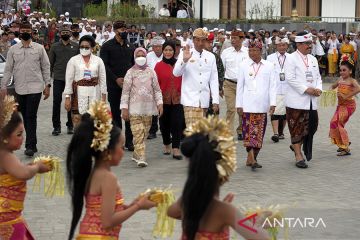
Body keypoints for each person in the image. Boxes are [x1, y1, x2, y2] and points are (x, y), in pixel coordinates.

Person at [167, 116, 270, 240]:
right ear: (224, 170)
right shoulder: (225, 211)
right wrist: (261, 222)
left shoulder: (186, 200)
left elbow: (171, 212)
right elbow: (261, 238)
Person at [66, 101, 156, 240]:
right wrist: (137, 206)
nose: (123, 152)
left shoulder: (94, 173)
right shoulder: (108, 178)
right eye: (121, 147)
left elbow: (107, 210)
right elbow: (108, 222)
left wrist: (133, 204)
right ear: (107, 151)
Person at [0, 96, 52, 240]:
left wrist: (30, 166)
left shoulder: (6, 155)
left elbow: (17, 171)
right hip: (7, 218)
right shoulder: (5, 156)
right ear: (5, 137)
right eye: (19, 134)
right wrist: (36, 167)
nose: (23, 138)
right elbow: (23, 173)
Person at [1, 22, 51, 157]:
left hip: (35, 88)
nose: (25, 32)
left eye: (27, 30)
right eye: (22, 30)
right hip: (20, 88)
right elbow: (8, 69)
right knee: (25, 116)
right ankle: (32, 143)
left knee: (31, 115)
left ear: (31, 31)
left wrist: (47, 85)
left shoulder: (39, 48)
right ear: (19, 32)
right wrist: (3, 86)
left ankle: (30, 145)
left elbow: (46, 67)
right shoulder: (13, 49)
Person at [236, 40, 276, 170]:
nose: (252, 53)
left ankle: (252, 158)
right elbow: (240, 87)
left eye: (255, 50)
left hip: (262, 105)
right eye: (250, 50)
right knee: (248, 132)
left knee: (259, 133)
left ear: (261, 51)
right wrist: (239, 104)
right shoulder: (243, 65)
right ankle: (252, 159)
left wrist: (273, 103)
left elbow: (272, 86)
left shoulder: (269, 66)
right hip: (247, 105)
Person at [285, 32, 322, 169]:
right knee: (296, 129)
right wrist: (306, 89)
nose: (309, 46)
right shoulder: (291, 58)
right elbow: (290, 78)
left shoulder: (312, 59)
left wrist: (318, 88)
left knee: (312, 127)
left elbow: (318, 77)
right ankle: (298, 155)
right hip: (296, 100)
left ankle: (296, 145)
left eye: (310, 44)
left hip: (311, 101)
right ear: (298, 44)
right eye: (307, 44)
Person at [120, 48, 163, 167]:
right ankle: (141, 157)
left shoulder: (151, 72)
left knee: (144, 134)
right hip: (134, 109)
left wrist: (160, 104)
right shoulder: (130, 72)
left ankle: (136, 153)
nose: (140, 58)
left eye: (142, 55)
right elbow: (125, 92)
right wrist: (124, 108)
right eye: (138, 55)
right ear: (134, 57)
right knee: (138, 133)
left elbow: (157, 90)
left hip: (148, 109)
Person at [173, 28, 219, 127]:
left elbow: (214, 79)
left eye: (203, 40)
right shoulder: (185, 53)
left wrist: (215, 101)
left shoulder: (211, 56)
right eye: (197, 40)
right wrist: (184, 60)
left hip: (204, 101)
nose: (200, 43)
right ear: (193, 40)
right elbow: (176, 73)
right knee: (193, 133)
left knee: (200, 134)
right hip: (190, 100)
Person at [100, 20, 134, 151]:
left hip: (128, 86)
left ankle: (129, 142)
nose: (124, 31)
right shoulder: (107, 46)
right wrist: (116, 79)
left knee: (128, 114)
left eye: (125, 29)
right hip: (113, 85)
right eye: (121, 29)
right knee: (115, 114)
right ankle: (118, 141)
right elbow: (104, 66)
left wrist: (128, 79)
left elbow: (133, 65)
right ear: (115, 31)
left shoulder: (131, 46)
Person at [64, 35, 107, 126]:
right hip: (78, 93)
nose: (84, 48)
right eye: (82, 47)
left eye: (87, 47)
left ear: (92, 48)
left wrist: (103, 98)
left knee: (94, 121)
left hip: (95, 92)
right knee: (78, 121)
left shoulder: (98, 61)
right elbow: (68, 80)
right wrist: (67, 98)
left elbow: (103, 80)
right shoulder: (73, 60)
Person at [155, 41, 183, 160]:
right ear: (162, 51)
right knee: (164, 124)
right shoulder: (158, 66)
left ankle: (176, 148)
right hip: (163, 100)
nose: (168, 52)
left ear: (174, 51)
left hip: (177, 99)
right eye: (165, 50)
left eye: (170, 50)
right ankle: (167, 144)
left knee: (177, 124)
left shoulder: (179, 64)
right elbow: (155, 84)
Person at [49, 26, 79, 136]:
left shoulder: (76, 46)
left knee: (71, 102)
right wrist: (48, 80)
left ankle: (70, 125)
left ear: (70, 34)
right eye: (63, 32)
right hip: (58, 78)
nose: (65, 33)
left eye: (67, 32)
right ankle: (56, 126)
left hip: (72, 79)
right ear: (59, 34)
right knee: (56, 102)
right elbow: (50, 64)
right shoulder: (54, 46)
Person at [329, 58, 360, 156]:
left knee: (338, 123)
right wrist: (330, 90)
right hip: (340, 106)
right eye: (340, 70)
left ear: (350, 71)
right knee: (333, 122)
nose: (341, 72)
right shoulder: (340, 80)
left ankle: (345, 147)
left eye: (344, 70)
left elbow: (359, 88)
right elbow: (332, 86)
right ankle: (342, 143)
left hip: (349, 106)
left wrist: (346, 96)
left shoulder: (352, 81)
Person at [221, 30, 248, 140]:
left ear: (242, 39)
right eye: (232, 38)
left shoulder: (247, 52)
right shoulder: (226, 52)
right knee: (231, 109)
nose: (232, 40)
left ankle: (241, 129)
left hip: (244, 85)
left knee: (242, 109)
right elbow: (221, 69)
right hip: (229, 84)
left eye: (235, 38)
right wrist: (220, 85)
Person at [266, 37, 290, 142]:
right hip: (274, 88)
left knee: (284, 113)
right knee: (274, 111)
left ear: (287, 46)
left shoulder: (291, 57)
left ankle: (281, 132)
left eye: (284, 45)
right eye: (280, 45)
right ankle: (275, 133)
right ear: (276, 46)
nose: (282, 47)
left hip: (287, 88)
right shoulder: (270, 58)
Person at [146, 36, 164, 139]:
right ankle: (152, 130)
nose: (157, 48)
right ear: (152, 47)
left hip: (163, 84)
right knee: (153, 108)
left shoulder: (166, 55)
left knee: (163, 107)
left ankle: (163, 128)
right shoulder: (148, 56)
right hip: (151, 84)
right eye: (155, 46)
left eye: (159, 46)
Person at [204, 32, 224, 116]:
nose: (210, 45)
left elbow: (221, 73)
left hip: (212, 90)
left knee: (213, 115)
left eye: (211, 42)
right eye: (208, 42)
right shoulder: (197, 56)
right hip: (201, 91)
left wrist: (219, 88)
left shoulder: (215, 57)